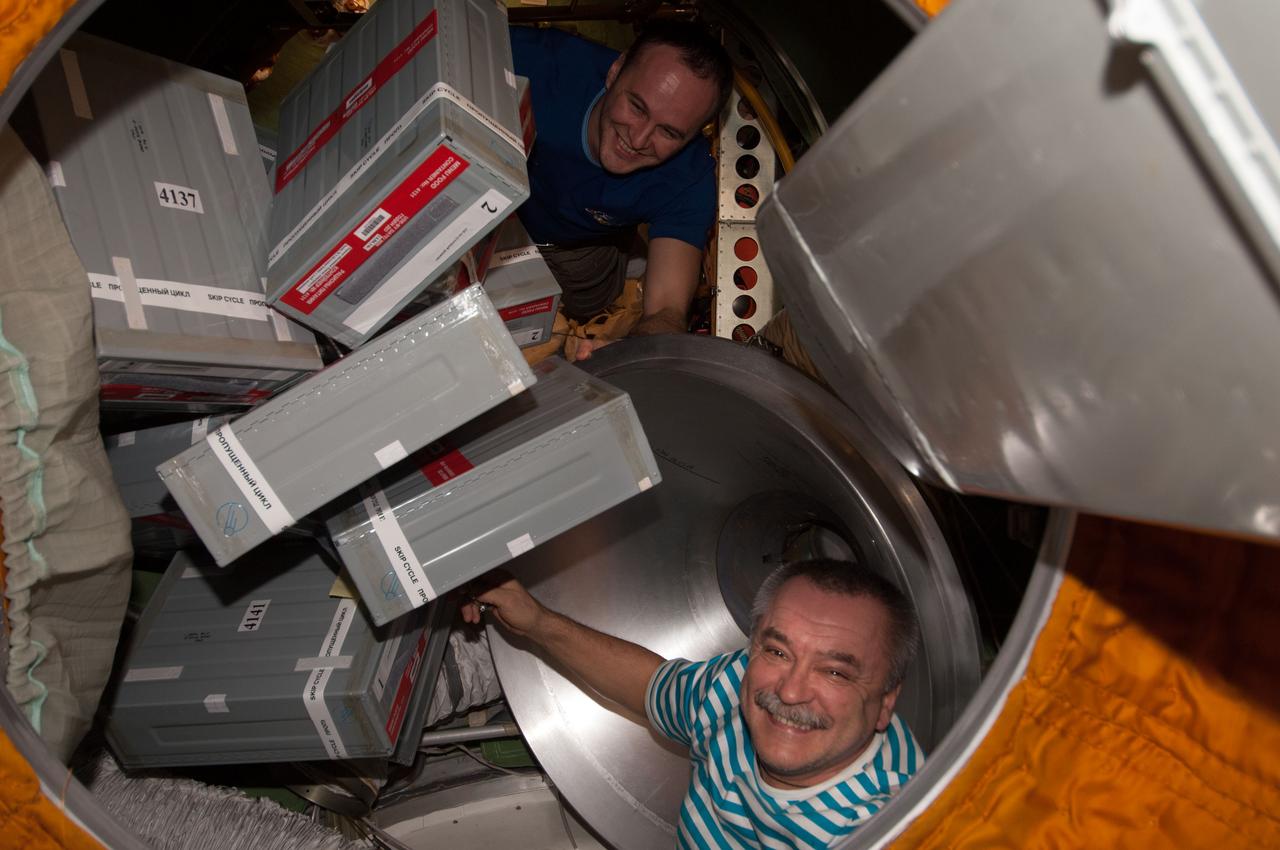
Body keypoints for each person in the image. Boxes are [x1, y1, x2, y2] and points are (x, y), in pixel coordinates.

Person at [463, 558, 924, 848]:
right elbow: (650, 686)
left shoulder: (886, 828)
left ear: (886, 701)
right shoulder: (735, 685)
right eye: (778, 651)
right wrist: (537, 621)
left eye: (835, 672)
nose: (788, 692)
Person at [510, 20, 733, 360]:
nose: (638, 140)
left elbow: (667, 312)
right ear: (615, 71)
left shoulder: (688, 179)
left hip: (575, 246)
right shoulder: (531, 61)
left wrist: (635, 350)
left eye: (669, 133)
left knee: (586, 302)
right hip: (492, 200)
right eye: (638, 107)